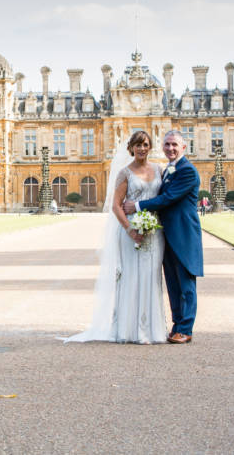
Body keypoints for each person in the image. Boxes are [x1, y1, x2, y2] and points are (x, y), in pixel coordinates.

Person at [66, 131, 166, 344]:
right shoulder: (124, 173)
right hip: (130, 232)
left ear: (150, 147)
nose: (142, 148)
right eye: (138, 145)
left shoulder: (159, 169)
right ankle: (128, 330)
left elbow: (165, 198)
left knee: (151, 279)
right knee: (130, 278)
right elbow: (115, 205)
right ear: (131, 148)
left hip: (154, 233)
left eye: (145, 144)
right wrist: (130, 229)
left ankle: (151, 330)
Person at [122, 130, 203, 344]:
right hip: (166, 234)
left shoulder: (187, 171)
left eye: (175, 145)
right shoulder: (168, 170)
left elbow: (167, 198)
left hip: (183, 235)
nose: (170, 148)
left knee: (186, 284)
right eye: (167, 144)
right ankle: (178, 326)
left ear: (184, 147)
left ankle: (185, 329)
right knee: (174, 285)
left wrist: (137, 206)